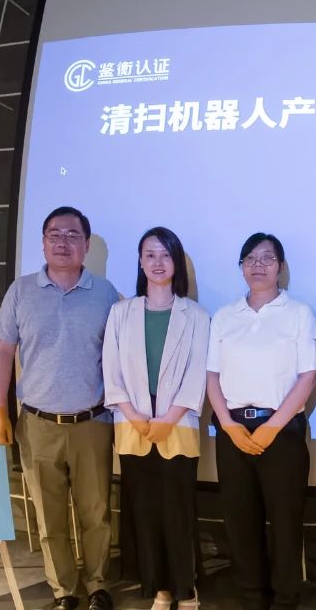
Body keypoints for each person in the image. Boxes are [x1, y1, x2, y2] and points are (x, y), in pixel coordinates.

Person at [0, 206, 122, 610]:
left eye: (72, 235)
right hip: (37, 423)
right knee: (49, 518)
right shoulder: (20, 291)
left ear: (86, 244)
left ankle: (98, 585)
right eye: (54, 234)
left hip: (92, 422)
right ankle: (64, 590)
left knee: (97, 513)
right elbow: (3, 352)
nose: (63, 242)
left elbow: (121, 357)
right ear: (43, 242)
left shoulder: (106, 294)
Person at [205, 233, 316, 610]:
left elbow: (308, 377)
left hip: (282, 432)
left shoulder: (299, 313)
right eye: (250, 259)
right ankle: (252, 598)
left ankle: (286, 600)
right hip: (233, 431)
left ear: (280, 267)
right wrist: (227, 424)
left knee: (285, 524)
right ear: (241, 267)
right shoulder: (225, 316)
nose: (258, 265)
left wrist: (272, 427)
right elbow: (211, 376)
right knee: (241, 522)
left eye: (267, 258)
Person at [102, 227, 210, 609]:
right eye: (150, 255)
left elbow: (197, 373)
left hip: (177, 423)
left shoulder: (196, 315)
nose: (158, 262)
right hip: (132, 424)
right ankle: (161, 589)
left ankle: (186, 589)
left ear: (176, 262)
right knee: (145, 513)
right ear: (140, 261)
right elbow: (111, 370)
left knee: (178, 511)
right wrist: (133, 415)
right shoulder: (121, 313)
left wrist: (169, 417)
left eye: (165, 255)